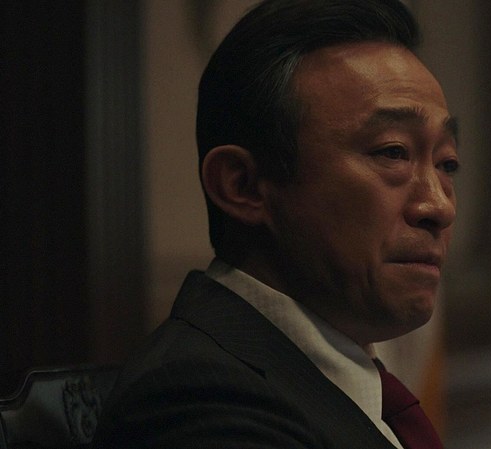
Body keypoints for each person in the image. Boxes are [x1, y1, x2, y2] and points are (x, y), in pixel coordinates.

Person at [92, 0, 458, 447]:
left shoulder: (343, 380)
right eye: (393, 152)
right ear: (243, 186)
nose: (439, 206)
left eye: (447, 163)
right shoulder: (202, 405)